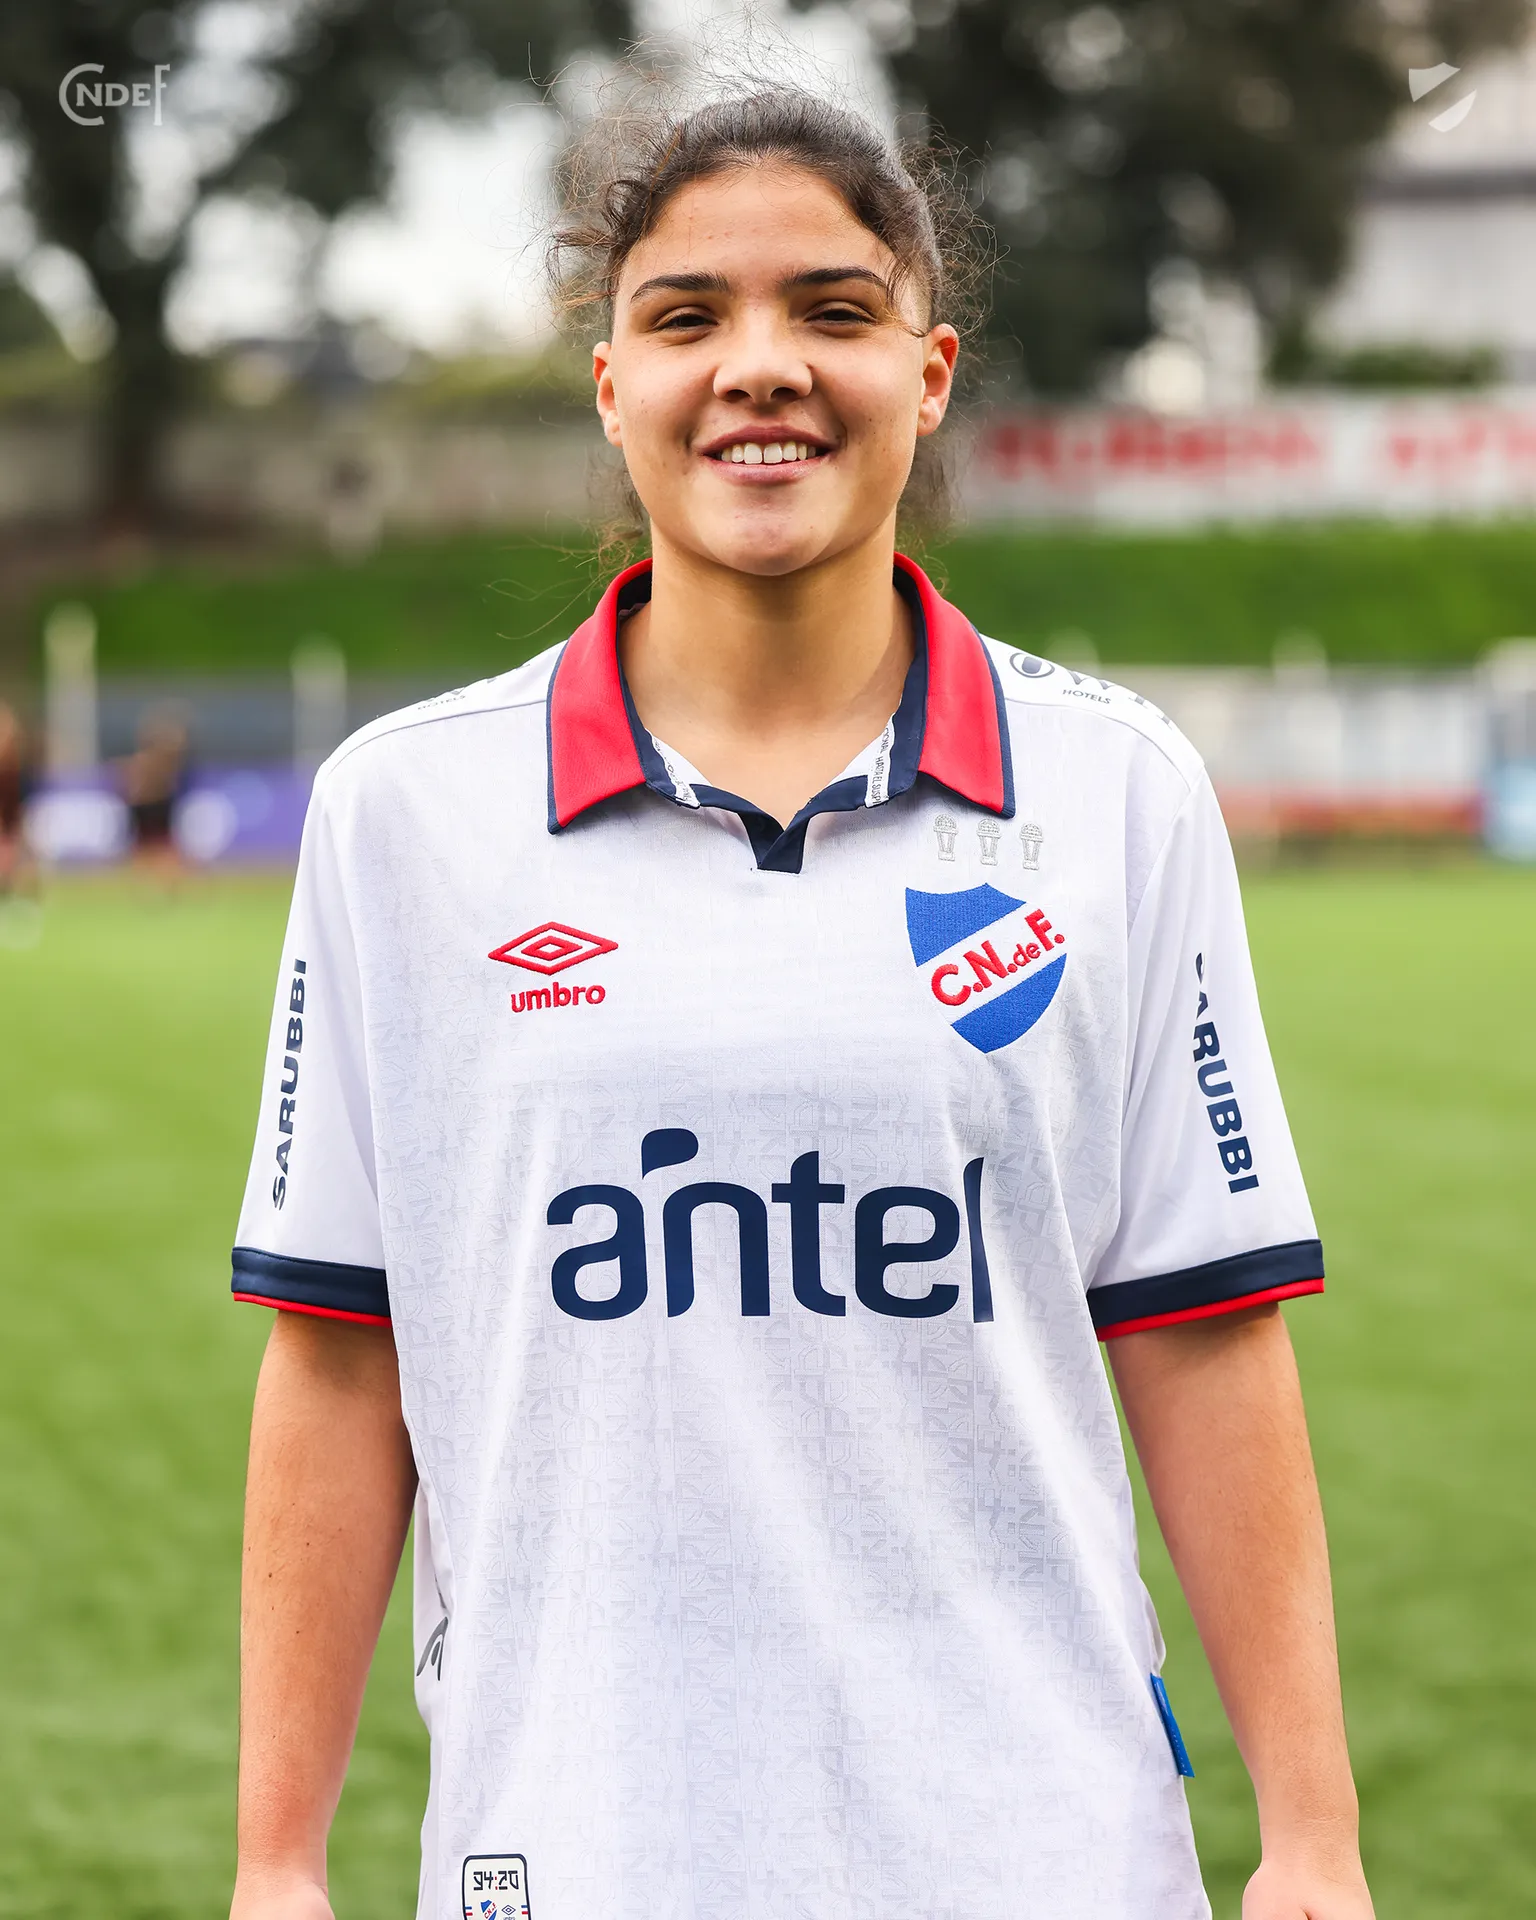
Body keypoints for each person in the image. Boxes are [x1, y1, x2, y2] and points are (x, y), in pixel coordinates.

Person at [229, 87, 1373, 1920]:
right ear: (613, 387)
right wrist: (276, 1861)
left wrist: (1314, 1838)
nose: (760, 365)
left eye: (833, 311)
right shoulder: (405, 812)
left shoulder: (1119, 791)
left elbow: (1207, 1330)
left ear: (929, 374)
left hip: (1038, 1851)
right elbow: (341, 1351)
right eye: (688, 315)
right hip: (581, 1846)